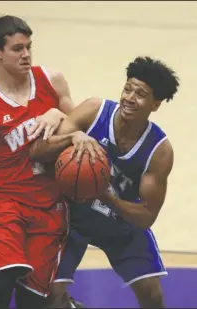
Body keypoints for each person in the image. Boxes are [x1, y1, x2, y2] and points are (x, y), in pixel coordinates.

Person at [0, 15, 101, 309]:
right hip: (5, 202)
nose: (26, 54)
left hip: (50, 205)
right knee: (2, 279)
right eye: (18, 49)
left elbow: (80, 124)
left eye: (29, 46)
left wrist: (60, 117)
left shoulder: (51, 81)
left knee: (33, 300)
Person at [28, 56, 179, 308]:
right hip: (72, 219)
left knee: (152, 297)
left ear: (156, 104)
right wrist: (72, 137)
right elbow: (37, 152)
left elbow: (146, 216)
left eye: (140, 94)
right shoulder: (94, 111)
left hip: (119, 226)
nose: (130, 98)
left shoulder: (159, 151)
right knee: (51, 294)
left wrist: (104, 196)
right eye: (128, 88)